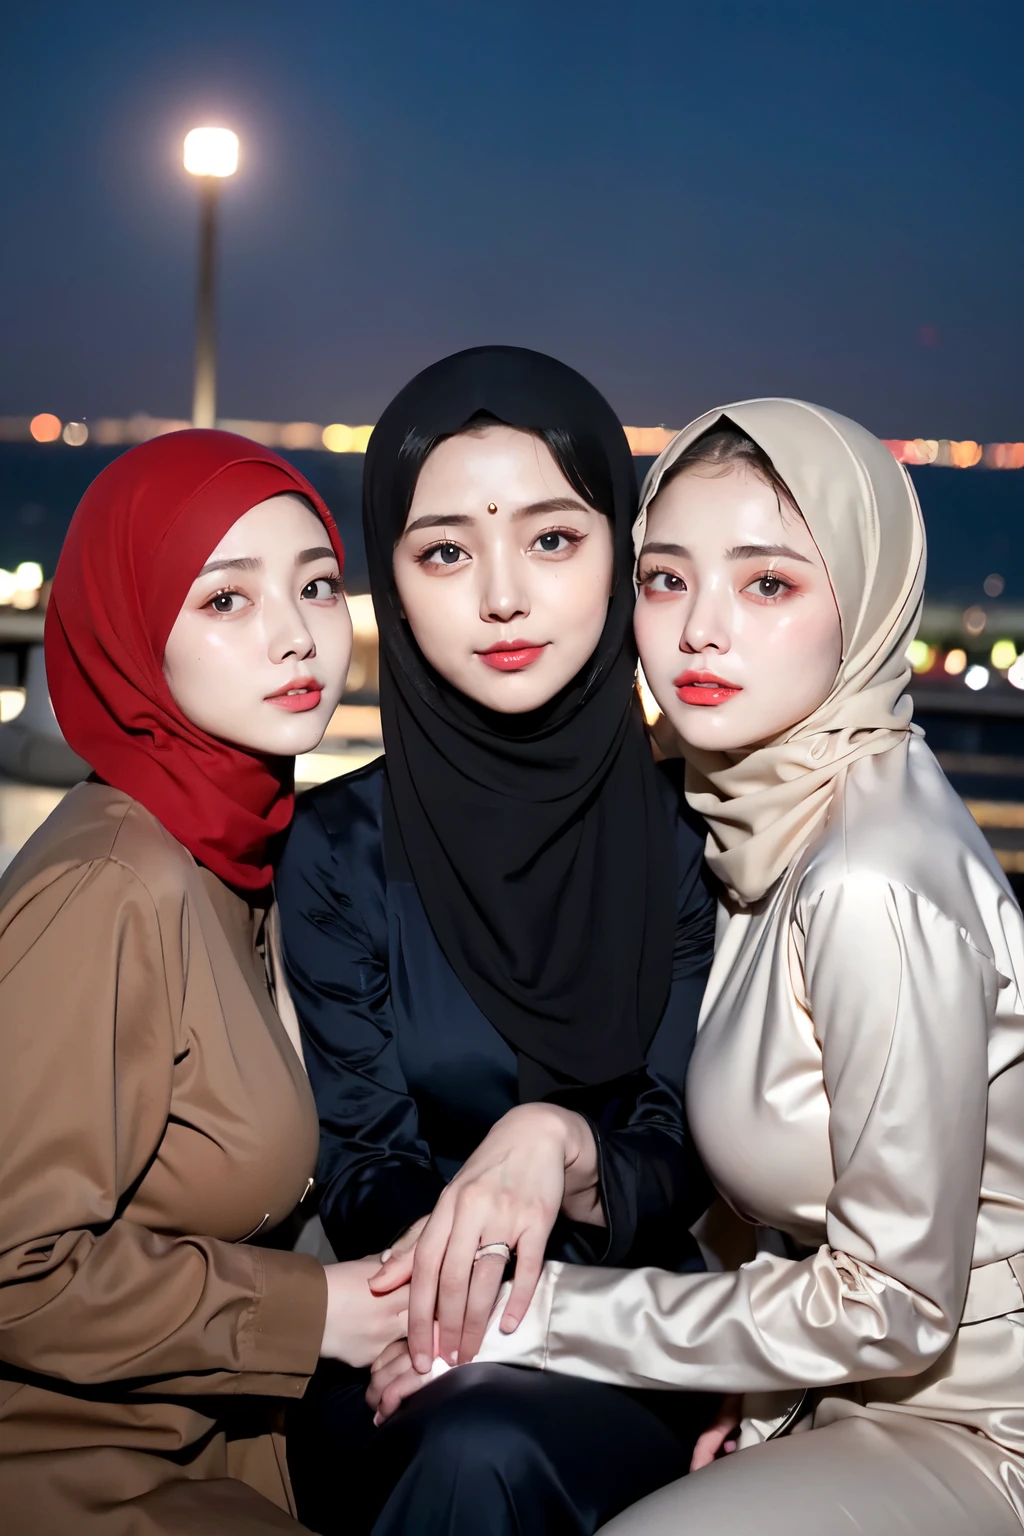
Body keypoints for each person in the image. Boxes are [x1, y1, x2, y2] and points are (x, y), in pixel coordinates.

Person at [375, 399, 1024, 1534]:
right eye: (666, 579)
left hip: (974, 1421)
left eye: (766, 584)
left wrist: (531, 1320)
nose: (699, 632)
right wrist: (753, 1389)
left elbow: (898, 1303)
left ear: (863, 606)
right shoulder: (764, 820)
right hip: (840, 1391)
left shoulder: (868, 882)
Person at [275, 346, 718, 1534]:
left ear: (623, 550)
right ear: (394, 578)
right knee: (465, 1442)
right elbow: (364, 1165)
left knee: (486, 1448)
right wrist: (471, 1318)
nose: (502, 597)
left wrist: (557, 1142)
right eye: (445, 552)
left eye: (554, 539)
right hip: (407, 1319)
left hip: (642, 1323)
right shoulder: (337, 848)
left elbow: (685, 1150)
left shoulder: (700, 836)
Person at [0, 430, 411, 1536]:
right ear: (136, 634)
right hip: (73, 1479)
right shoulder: (112, 883)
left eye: (316, 584)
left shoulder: (233, 851)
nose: (296, 636)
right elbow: (11, 1269)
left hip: (216, 1449)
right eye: (224, 602)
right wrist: (318, 1311)